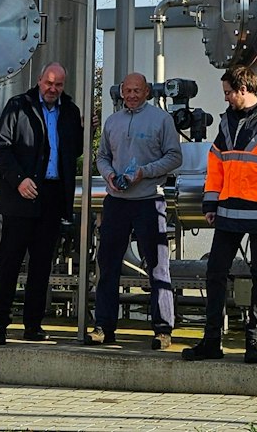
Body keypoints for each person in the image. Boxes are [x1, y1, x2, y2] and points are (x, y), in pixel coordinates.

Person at [182, 63, 257, 365]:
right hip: (229, 210)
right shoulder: (226, 123)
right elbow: (216, 164)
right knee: (215, 273)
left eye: (227, 93)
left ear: (244, 89)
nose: (224, 98)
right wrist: (210, 204)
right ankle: (212, 342)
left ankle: (254, 343)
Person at [0, 61, 82, 344]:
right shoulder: (18, 106)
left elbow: (74, 150)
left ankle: (33, 325)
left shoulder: (70, 110)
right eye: (48, 83)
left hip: (52, 196)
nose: (53, 89)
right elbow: (1, 147)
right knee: (9, 262)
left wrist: (83, 129)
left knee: (42, 266)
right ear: (39, 80)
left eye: (58, 85)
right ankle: (0, 324)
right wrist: (19, 179)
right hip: (22, 195)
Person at [94, 72, 183, 349]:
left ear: (147, 92)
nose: (132, 95)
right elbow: (102, 157)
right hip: (116, 202)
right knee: (107, 266)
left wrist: (145, 173)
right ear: (121, 91)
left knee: (157, 266)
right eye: (127, 90)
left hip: (149, 201)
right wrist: (108, 174)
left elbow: (174, 157)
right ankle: (103, 327)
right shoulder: (112, 122)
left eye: (137, 90)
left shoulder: (161, 120)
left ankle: (162, 329)